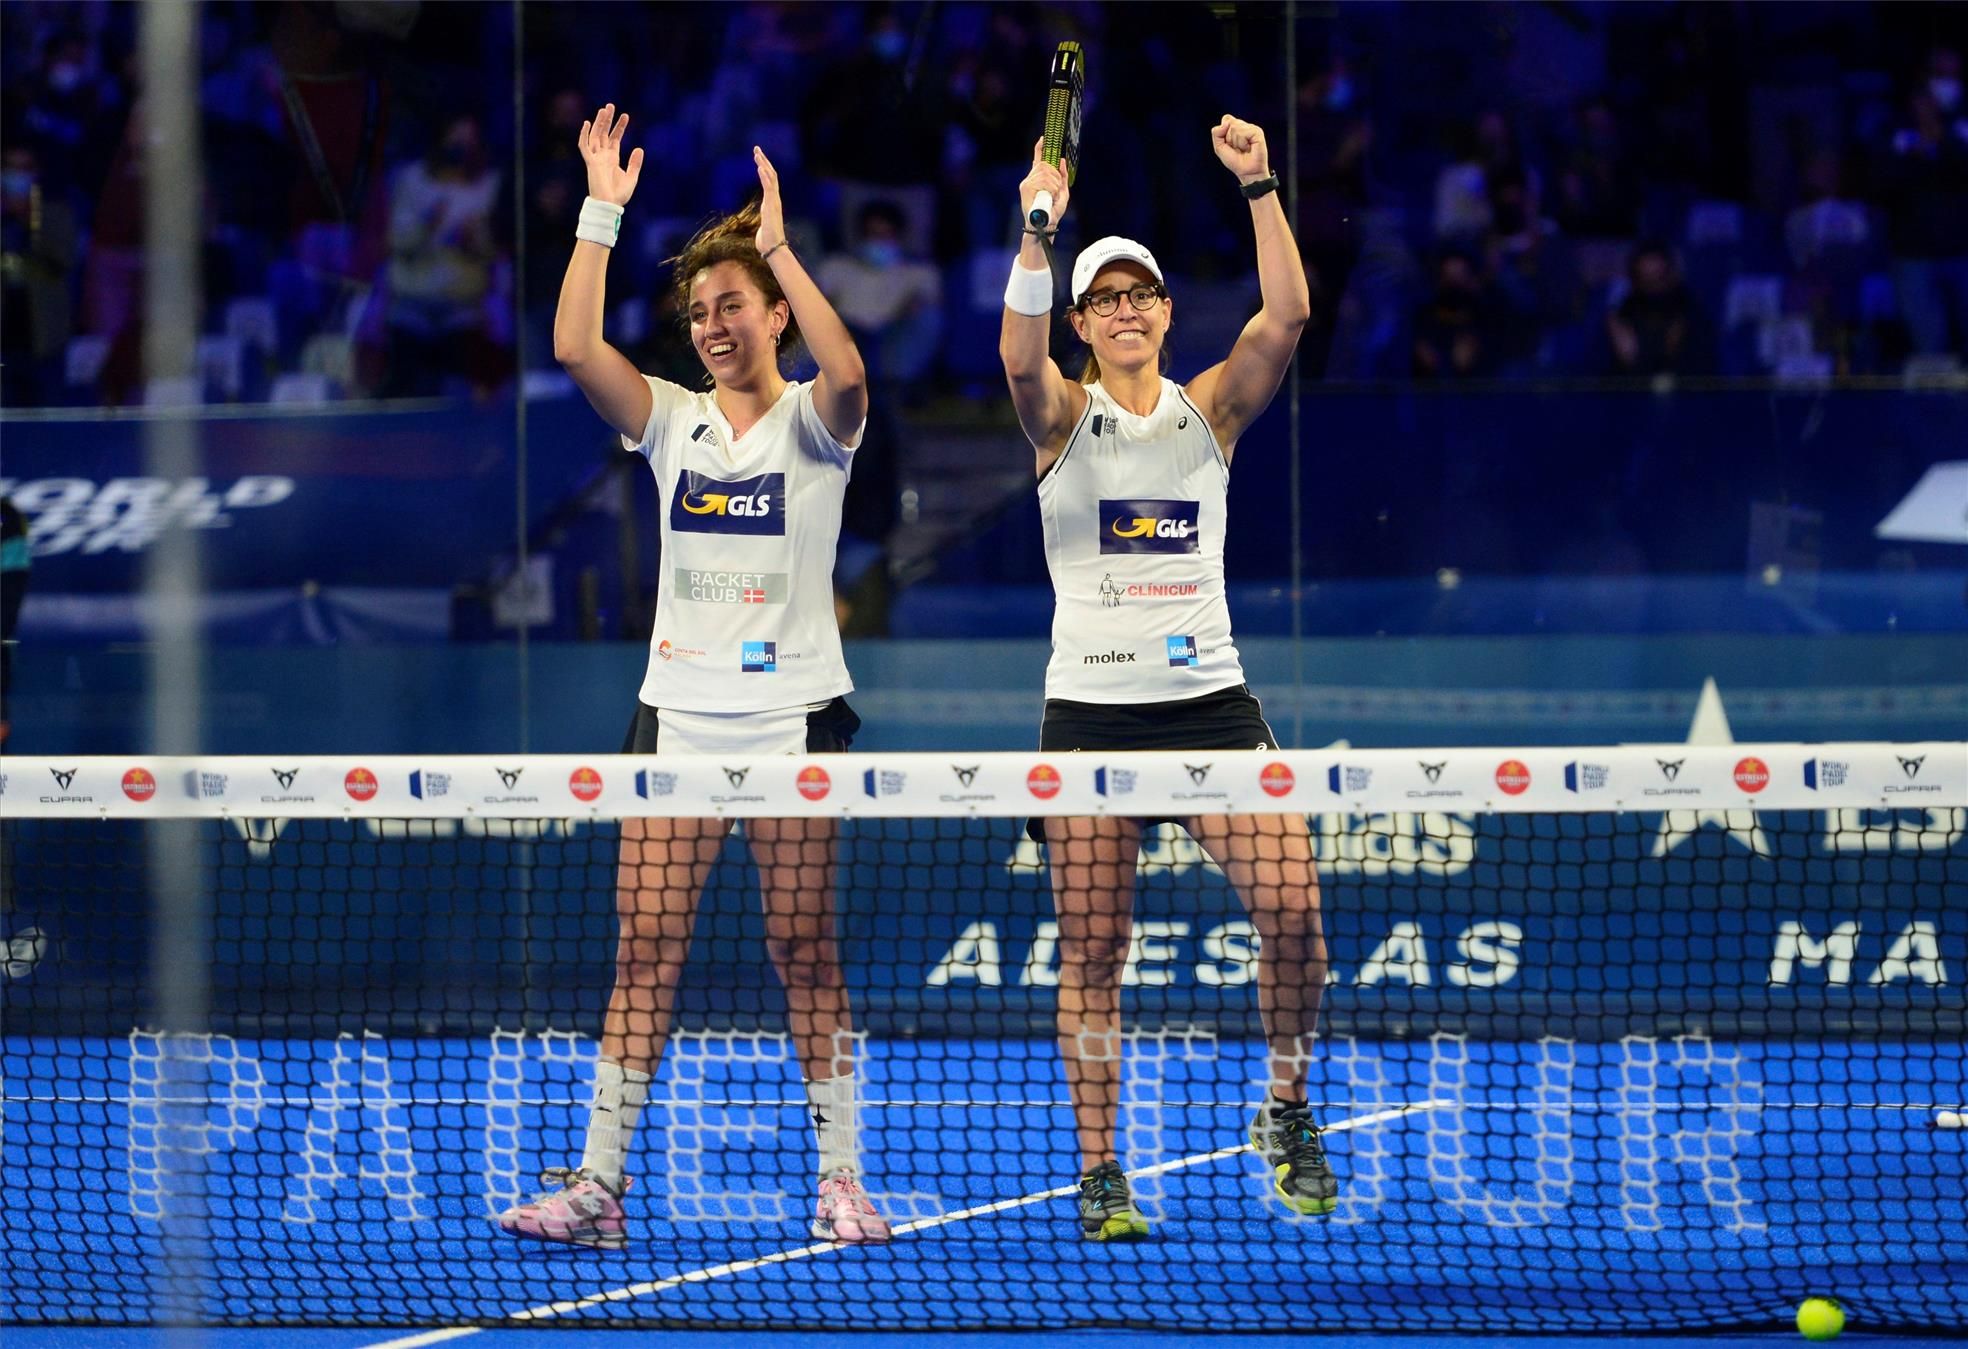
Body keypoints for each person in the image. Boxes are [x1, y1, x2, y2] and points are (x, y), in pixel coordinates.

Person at [492, 103, 889, 1251]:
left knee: (803, 948)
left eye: (734, 307)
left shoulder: (820, 422)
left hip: (795, 720)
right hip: (676, 722)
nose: (714, 325)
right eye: (700, 311)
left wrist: (776, 251)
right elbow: (574, 348)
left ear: (774, 314)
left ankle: (843, 1179)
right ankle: (600, 1188)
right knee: (645, 949)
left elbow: (851, 365)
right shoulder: (669, 422)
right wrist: (600, 208)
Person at [999, 117, 1337, 1241]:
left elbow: (1287, 315)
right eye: (1108, 297)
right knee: (1094, 951)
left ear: (1164, 313)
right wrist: (1036, 238)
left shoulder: (1210, 413)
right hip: (1089, 719)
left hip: (1213, 710)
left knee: (1295, 914)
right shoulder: (1059, 419)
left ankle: (1284, 1109)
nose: (1129, 307)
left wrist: (1259, 185)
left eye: (1144, 292)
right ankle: (1103, 1171)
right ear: (1086, 323)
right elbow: (1014, 358)